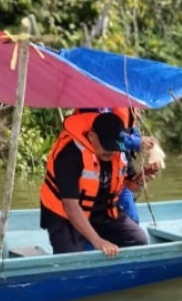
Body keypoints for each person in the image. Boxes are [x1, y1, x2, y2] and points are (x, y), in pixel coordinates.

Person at [39, 110, 153, 258]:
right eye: (106, 145)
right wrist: (98, 241)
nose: (110, 152)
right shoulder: (70, 154)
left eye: (114, 146)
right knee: (73, 258)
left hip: (102, 211)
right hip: (64, 215)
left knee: (138, 241)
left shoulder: (120, 150)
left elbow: (130, 186)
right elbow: (70, 206)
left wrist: (140, 180)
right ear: (92, 136)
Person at [68, 107, 164, 224]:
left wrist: (143, 141)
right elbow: (104, 132)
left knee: (132, 216)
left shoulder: (124, 103)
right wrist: (137, 142)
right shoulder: (92, 104)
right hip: (98, 167)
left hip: (119, 167)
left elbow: (129, 128)